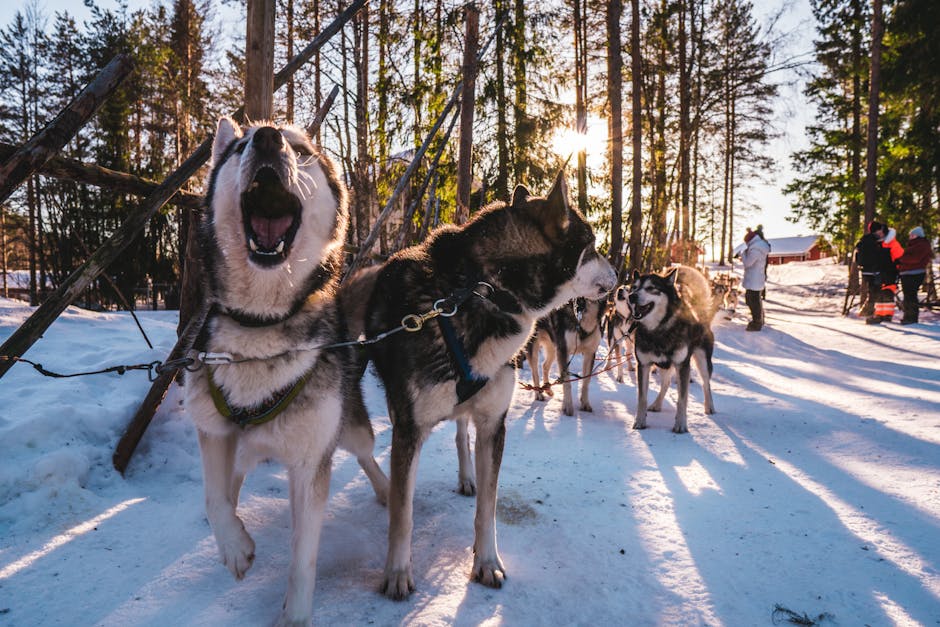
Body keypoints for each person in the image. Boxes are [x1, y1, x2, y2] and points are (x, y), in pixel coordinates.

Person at [866, 224, 905, 324]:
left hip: (891, 272)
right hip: (879, 273)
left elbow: (901, 257)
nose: (877, 234)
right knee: (879, 293)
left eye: (878, 231)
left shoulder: (891, 242)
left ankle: (886, 315)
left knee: (887, 293)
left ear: (882, 230)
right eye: (874, 233)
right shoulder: (876, 243)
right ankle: (879, 315)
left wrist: (899, 270)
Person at [895, 226, 932, 324]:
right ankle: (908, 316)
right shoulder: (914, 245)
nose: (910, 236)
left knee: (910, 295)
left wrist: (901, 259)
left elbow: (915, 259)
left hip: (914, 273)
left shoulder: (922, 245)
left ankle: (911, 317)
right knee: (908, 295)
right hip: (907, 273)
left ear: (918, 235)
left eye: (912, 234)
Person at [741, 225, 771, 331]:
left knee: (753, 300)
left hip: (754, 278)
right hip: (755, 277)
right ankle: (759, 320)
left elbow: (748, 263)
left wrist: (743, 254)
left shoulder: (756, 249)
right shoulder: (758, 246)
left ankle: (756, 323)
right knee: (753, 300)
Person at [855, 220, 887, 317]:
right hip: (875, 271)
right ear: (876, 230)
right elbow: (879, 256)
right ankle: (872, 313)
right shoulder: (876, 242)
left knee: (872, 291)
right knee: (876, 292)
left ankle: (867, 311)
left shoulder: (863, 240)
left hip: (865, 271)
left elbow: (857, 254)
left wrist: (860, 265)